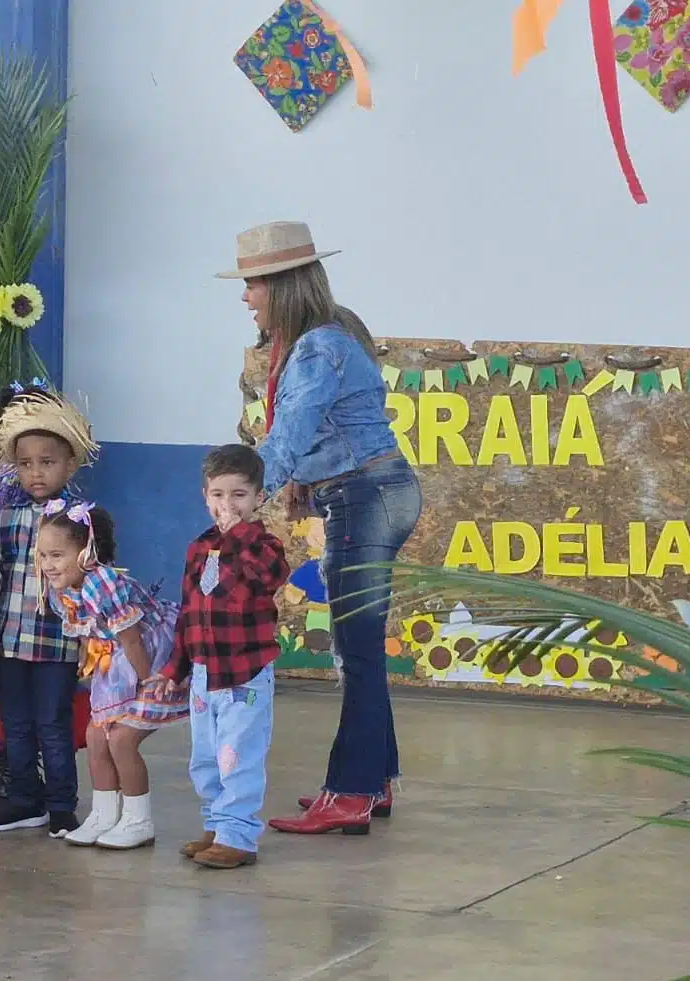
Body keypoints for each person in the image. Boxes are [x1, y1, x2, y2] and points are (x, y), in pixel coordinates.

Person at [215, 221, 421, 836]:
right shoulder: (324, 336)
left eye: (253, 285)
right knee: (360, 649)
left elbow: (288, 437)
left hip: (365, 496)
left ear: (282, 286)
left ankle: (351, 791)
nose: (245, 297)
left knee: (357, 652)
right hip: (367, 491)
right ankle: (373, 781)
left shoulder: (315, 349)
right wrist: (300, 482)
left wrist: (236, 501)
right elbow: (321, 432)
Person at [157, 445, 290, 869]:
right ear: (205, 496)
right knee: (206, 757)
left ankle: (238, 836)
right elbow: (188, 613)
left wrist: (239, 535)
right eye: (218, 495)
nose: (227, 505)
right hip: (203, 674)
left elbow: (270, 576)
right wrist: (174, 668)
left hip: (244, 673)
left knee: (238, 756)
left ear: (258, 498)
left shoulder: (264, 545)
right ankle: (216, 825)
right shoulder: (199, 548)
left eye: (239, 495)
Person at [0, 390, 99, 837]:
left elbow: (94, 581)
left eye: (47, 462)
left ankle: (62, 805)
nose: (36, 472)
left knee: (53, 723)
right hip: (11, 641)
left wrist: (90, 634)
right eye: (26, 463)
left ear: (70, 466)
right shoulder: (5, 519)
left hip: (59, 642)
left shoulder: (81, 521)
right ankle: (23, 800)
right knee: (16, 723)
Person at [37, 504, 187, 850]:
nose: (48, 564)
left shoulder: (102, 584)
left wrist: (149, 680)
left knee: (121, 739)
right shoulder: (62, 590)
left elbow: (132, 639)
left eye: (57, 555)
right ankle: (104, 815)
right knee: (96, 736)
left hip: (150, 659)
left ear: (87, 552)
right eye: (43, 555)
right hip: (116, 660)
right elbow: (90, 633)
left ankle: (138, 820)